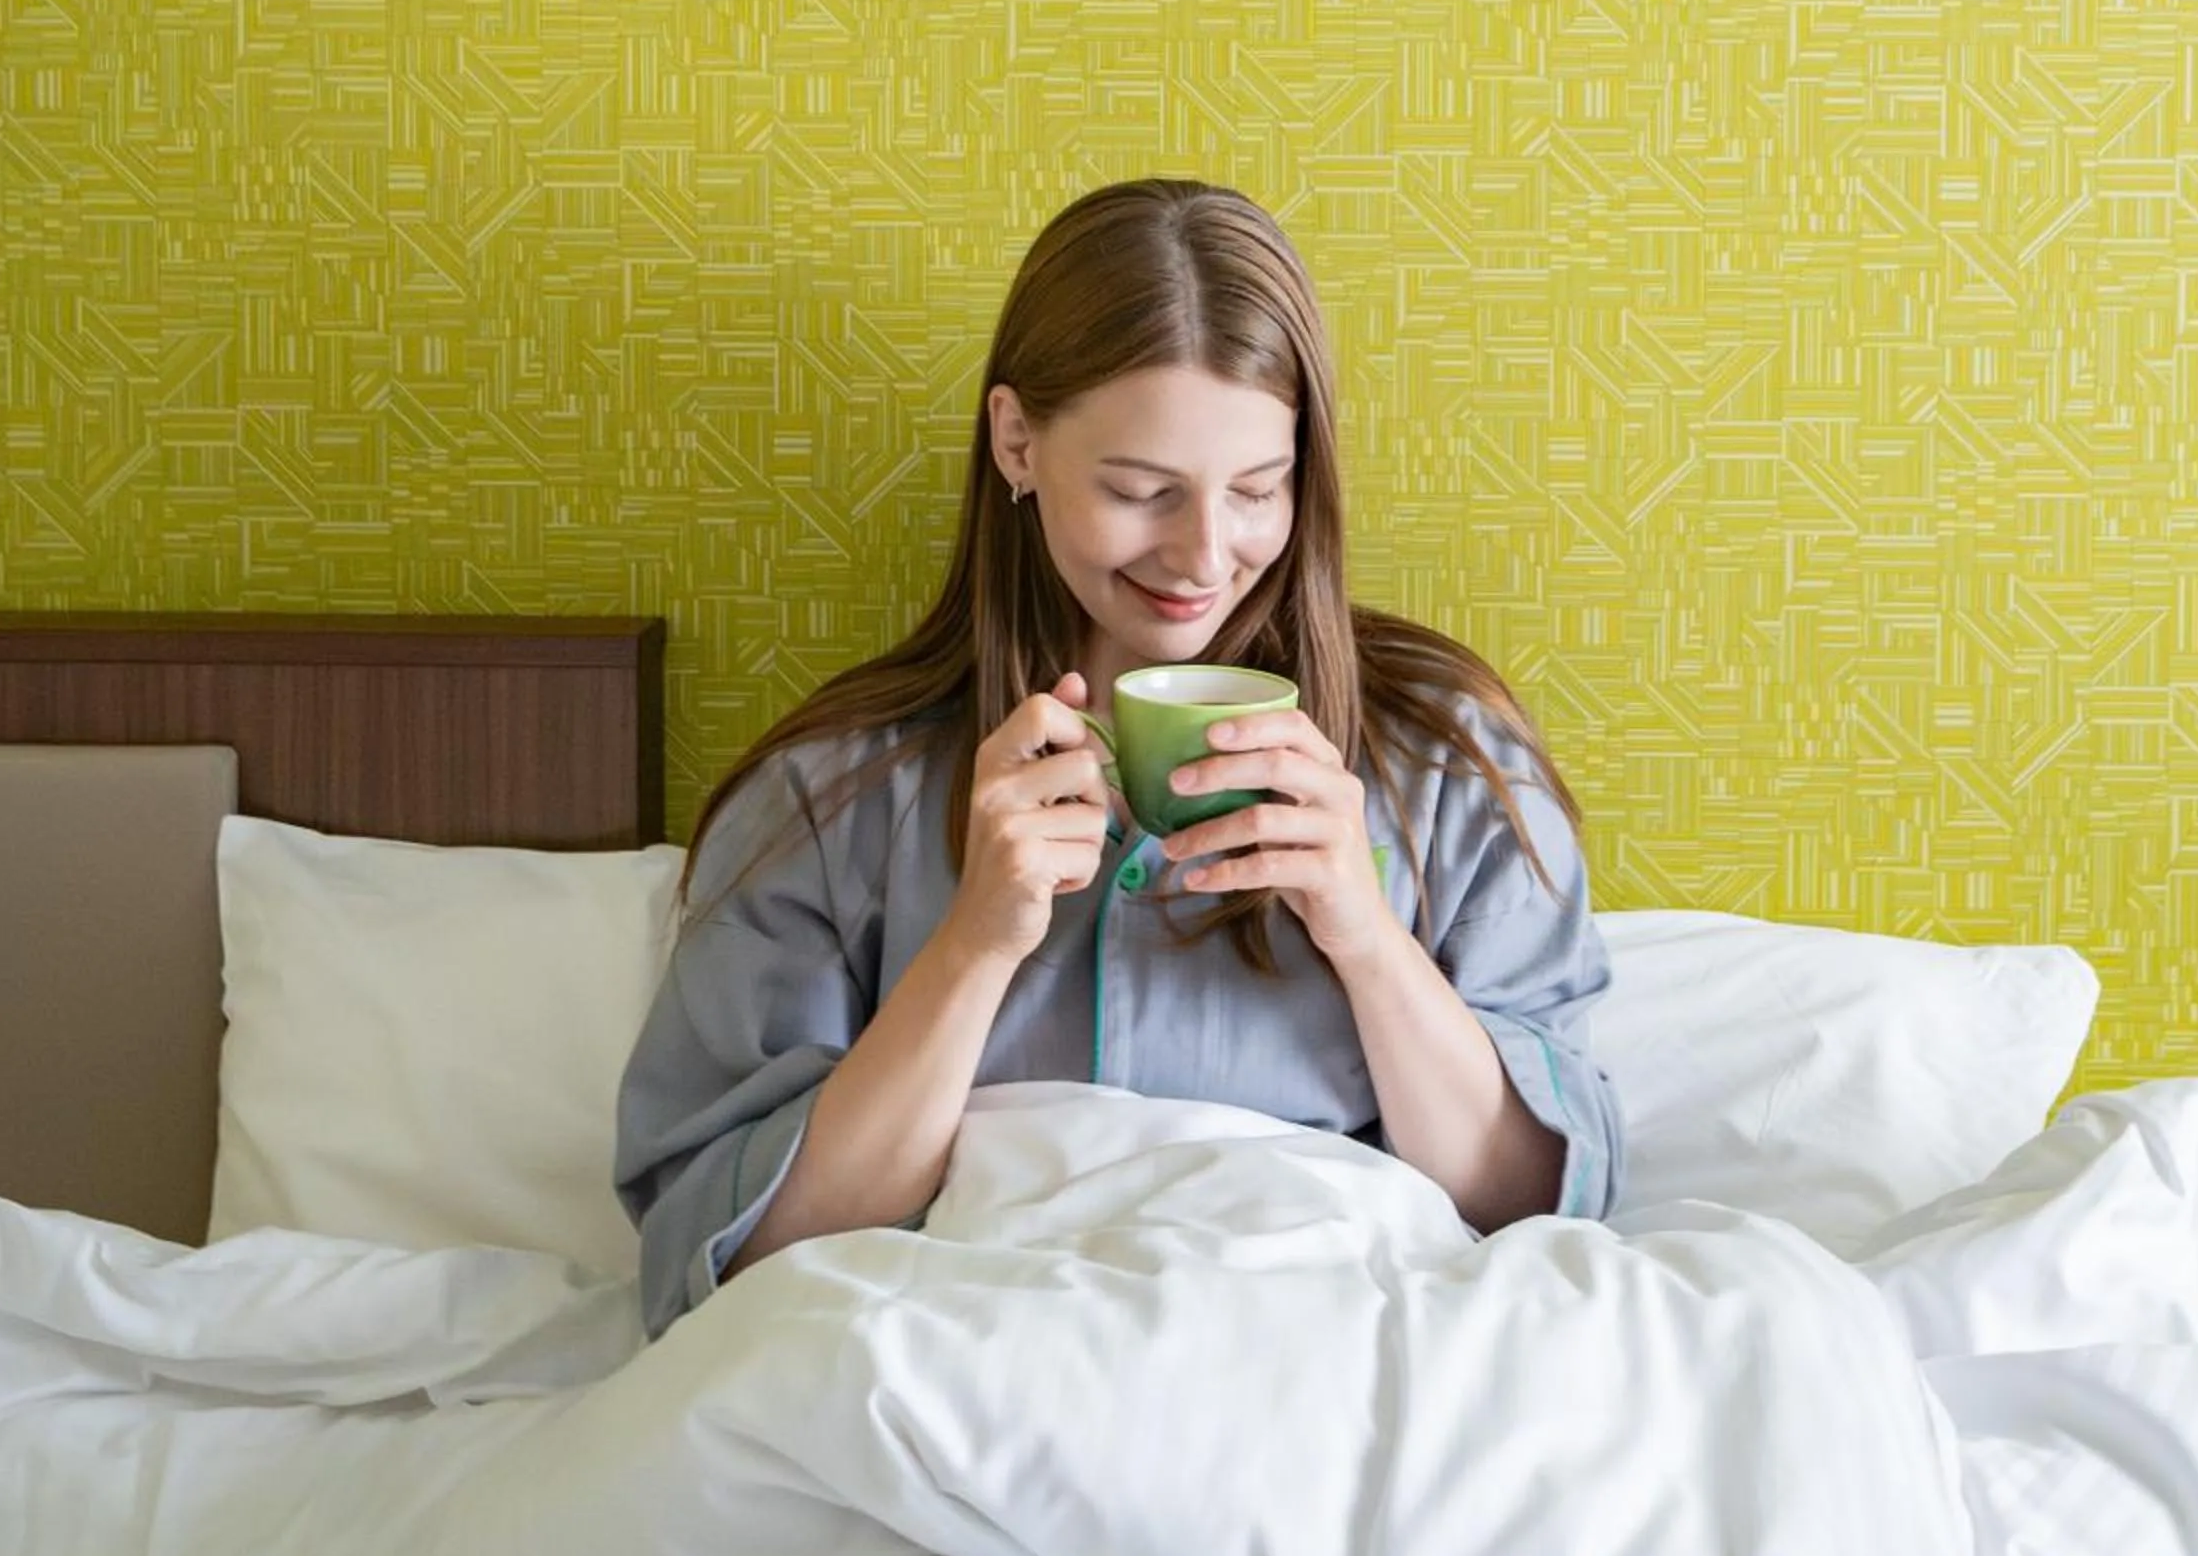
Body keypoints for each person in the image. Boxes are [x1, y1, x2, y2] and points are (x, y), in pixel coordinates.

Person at [613, 178, 1623, 1336]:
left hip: (1328, 1359)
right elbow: (732, 1256)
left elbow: (1542, 1208)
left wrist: (1365, 937)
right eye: (1142, 492)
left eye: (1256, 490)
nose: (1204, 555)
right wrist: (976, 945)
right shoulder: (834, 795)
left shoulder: (1448, 765)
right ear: (1017, 440)